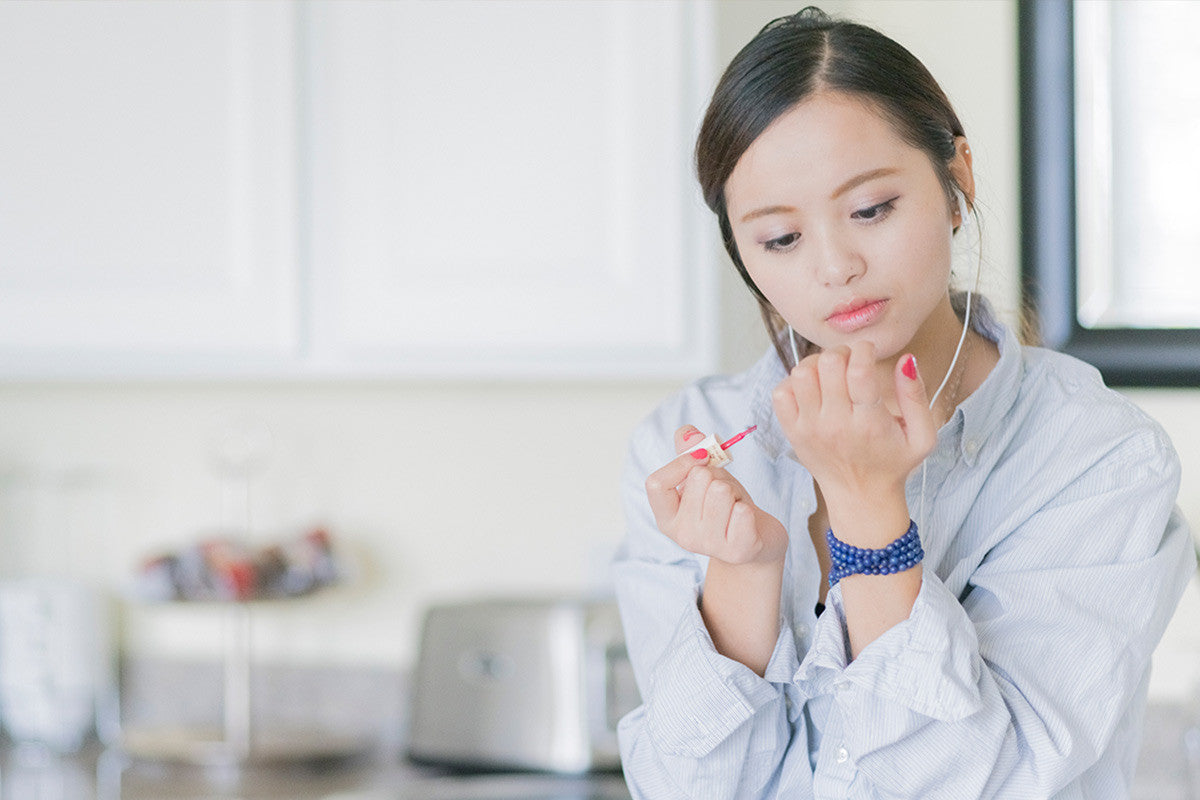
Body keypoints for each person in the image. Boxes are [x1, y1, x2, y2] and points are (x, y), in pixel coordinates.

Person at [612, 7, 1194, 799]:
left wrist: (867, 512)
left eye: (871, 209)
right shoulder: (691, 445)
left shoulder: (1097, 459)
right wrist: (742, 576)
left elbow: (975, 785)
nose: (836, 266)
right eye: (780, 239)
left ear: (958, 180)